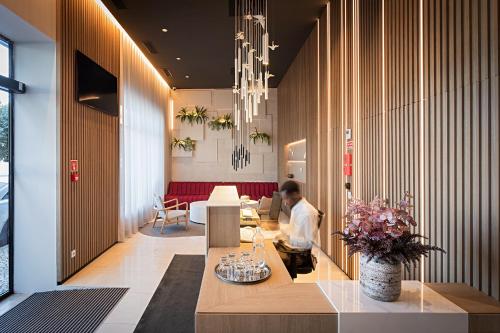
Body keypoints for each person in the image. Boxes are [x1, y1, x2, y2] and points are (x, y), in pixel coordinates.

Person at [274, 180, 319, 277]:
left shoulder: (306, 213)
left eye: (286, 199)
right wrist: (281, 229)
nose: (285, 203)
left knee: (271, 258)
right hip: (293, 248)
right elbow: (294, 230)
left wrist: (285, 239)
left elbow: (308, 243)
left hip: (300, 255)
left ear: (295, 195)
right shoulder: (297, 207)